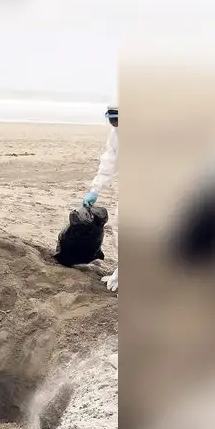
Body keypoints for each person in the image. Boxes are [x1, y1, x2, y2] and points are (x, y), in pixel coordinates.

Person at [83, 102, 119, 292]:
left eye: (118, 119)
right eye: (111, 119)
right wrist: (95, 189)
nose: (114, 123)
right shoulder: (116, 135)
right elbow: (109, 162)